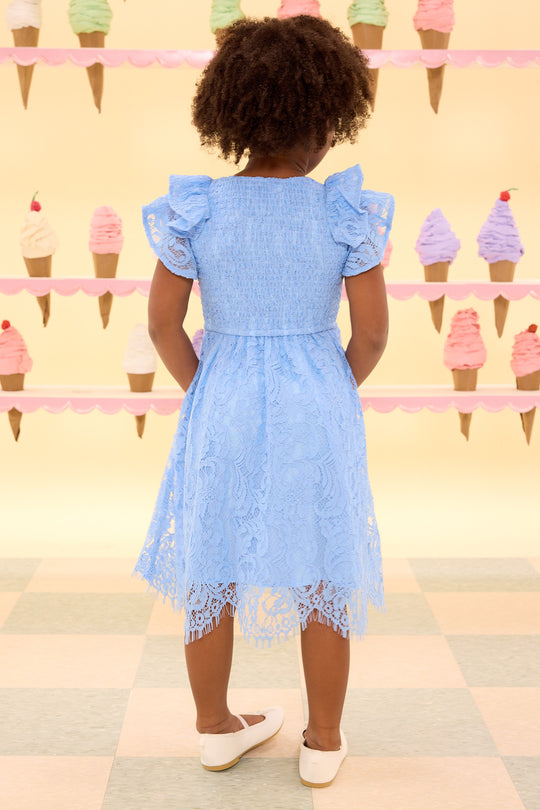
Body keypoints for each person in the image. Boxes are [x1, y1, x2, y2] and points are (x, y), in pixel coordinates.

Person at [134, 15, 394, 788]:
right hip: (317, 395)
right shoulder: (343, 210)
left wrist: (207, 386)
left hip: (225, 397)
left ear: (234, 115)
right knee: (324, 572)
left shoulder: (198, 210)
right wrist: (330, 388)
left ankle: (215, 728)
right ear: (325, 117)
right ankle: (321, 740)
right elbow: (374, 335)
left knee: (210, 565)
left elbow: (161, 323)